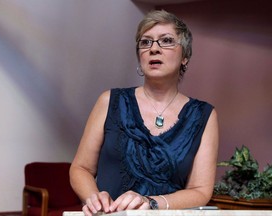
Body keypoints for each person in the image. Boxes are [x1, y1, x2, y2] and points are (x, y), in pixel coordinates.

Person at [70, 10, 219, 216]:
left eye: (166, 41)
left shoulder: (204, 115)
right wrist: (93, 197)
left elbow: (200, 190)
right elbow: (81, 168)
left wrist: (152, 202)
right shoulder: (109, 101)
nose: (154, 49)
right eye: (146, 42)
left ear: (185, 56)